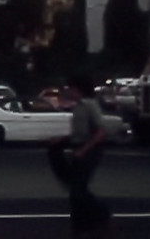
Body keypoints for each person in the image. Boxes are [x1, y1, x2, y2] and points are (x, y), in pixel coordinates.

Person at [48, 78, 111, 237]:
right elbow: (78, 134)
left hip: (90, 149)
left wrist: (84, 150)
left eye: (70, 88)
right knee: (76, 190)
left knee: (77, 190)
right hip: (79, 147)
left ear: (78, 89)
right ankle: (83, 225)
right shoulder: (77, 107)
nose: (68, 91)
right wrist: (63, 139)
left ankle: (99, 215)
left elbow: (101, 132)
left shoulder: (89, 105)